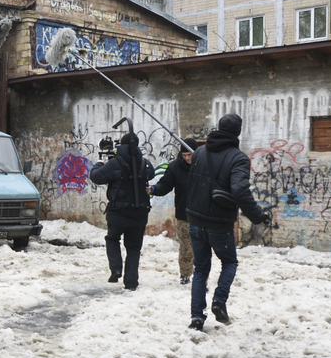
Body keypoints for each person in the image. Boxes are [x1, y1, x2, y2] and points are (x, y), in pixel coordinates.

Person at [185, 113, 270, 331]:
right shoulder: (238, 158)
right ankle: (219, 301)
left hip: (195, 220)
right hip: (219, 223)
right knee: (229, 262)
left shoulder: (199, 152)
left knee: (200, 269)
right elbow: (240, 190)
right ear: (237, 132)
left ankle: (196, 318)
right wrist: (258, 216)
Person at [89, 133, 154, 291]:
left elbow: (96, 177)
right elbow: (151, 173)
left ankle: (116, 269)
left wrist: (99, 164)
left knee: (112, 239)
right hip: (139, 214)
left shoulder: (115, 163)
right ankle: (131, 283)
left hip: (118, 212)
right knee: (134, 248)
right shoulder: (144, 163)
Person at [149, 138, 199, 285]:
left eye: (190, 155)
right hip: (184, 215)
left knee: (202, 250)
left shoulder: (205, 165)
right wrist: (154, 189)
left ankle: (201, 279)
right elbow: (165, 185)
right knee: (186, 249)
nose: (187, 158)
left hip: (203, 215)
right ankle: (185, 276)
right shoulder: (175, 167)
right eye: (184, 155)